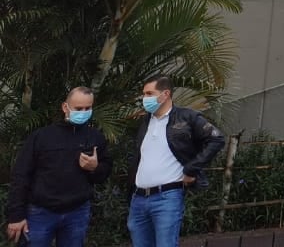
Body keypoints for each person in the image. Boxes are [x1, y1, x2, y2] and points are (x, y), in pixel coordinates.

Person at [4, 87, 111, 247]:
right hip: (40, 212)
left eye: (88, 108)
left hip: (77, 212)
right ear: (65, 107)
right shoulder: (42, 136)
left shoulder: (95, 137)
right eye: (78, 108)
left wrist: (94, 168)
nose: (83, 112)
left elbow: (104, 172)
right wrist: (16, 215)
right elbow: (21, 175)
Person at [126, 77, 224, 247]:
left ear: (165, 94)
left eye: (149, 93)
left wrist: (191, 169)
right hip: (139, 198)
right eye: (143, 94)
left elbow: (216, 139)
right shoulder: (145, 121)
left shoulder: (187, 117)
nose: (144, 98)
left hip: (167, 197)